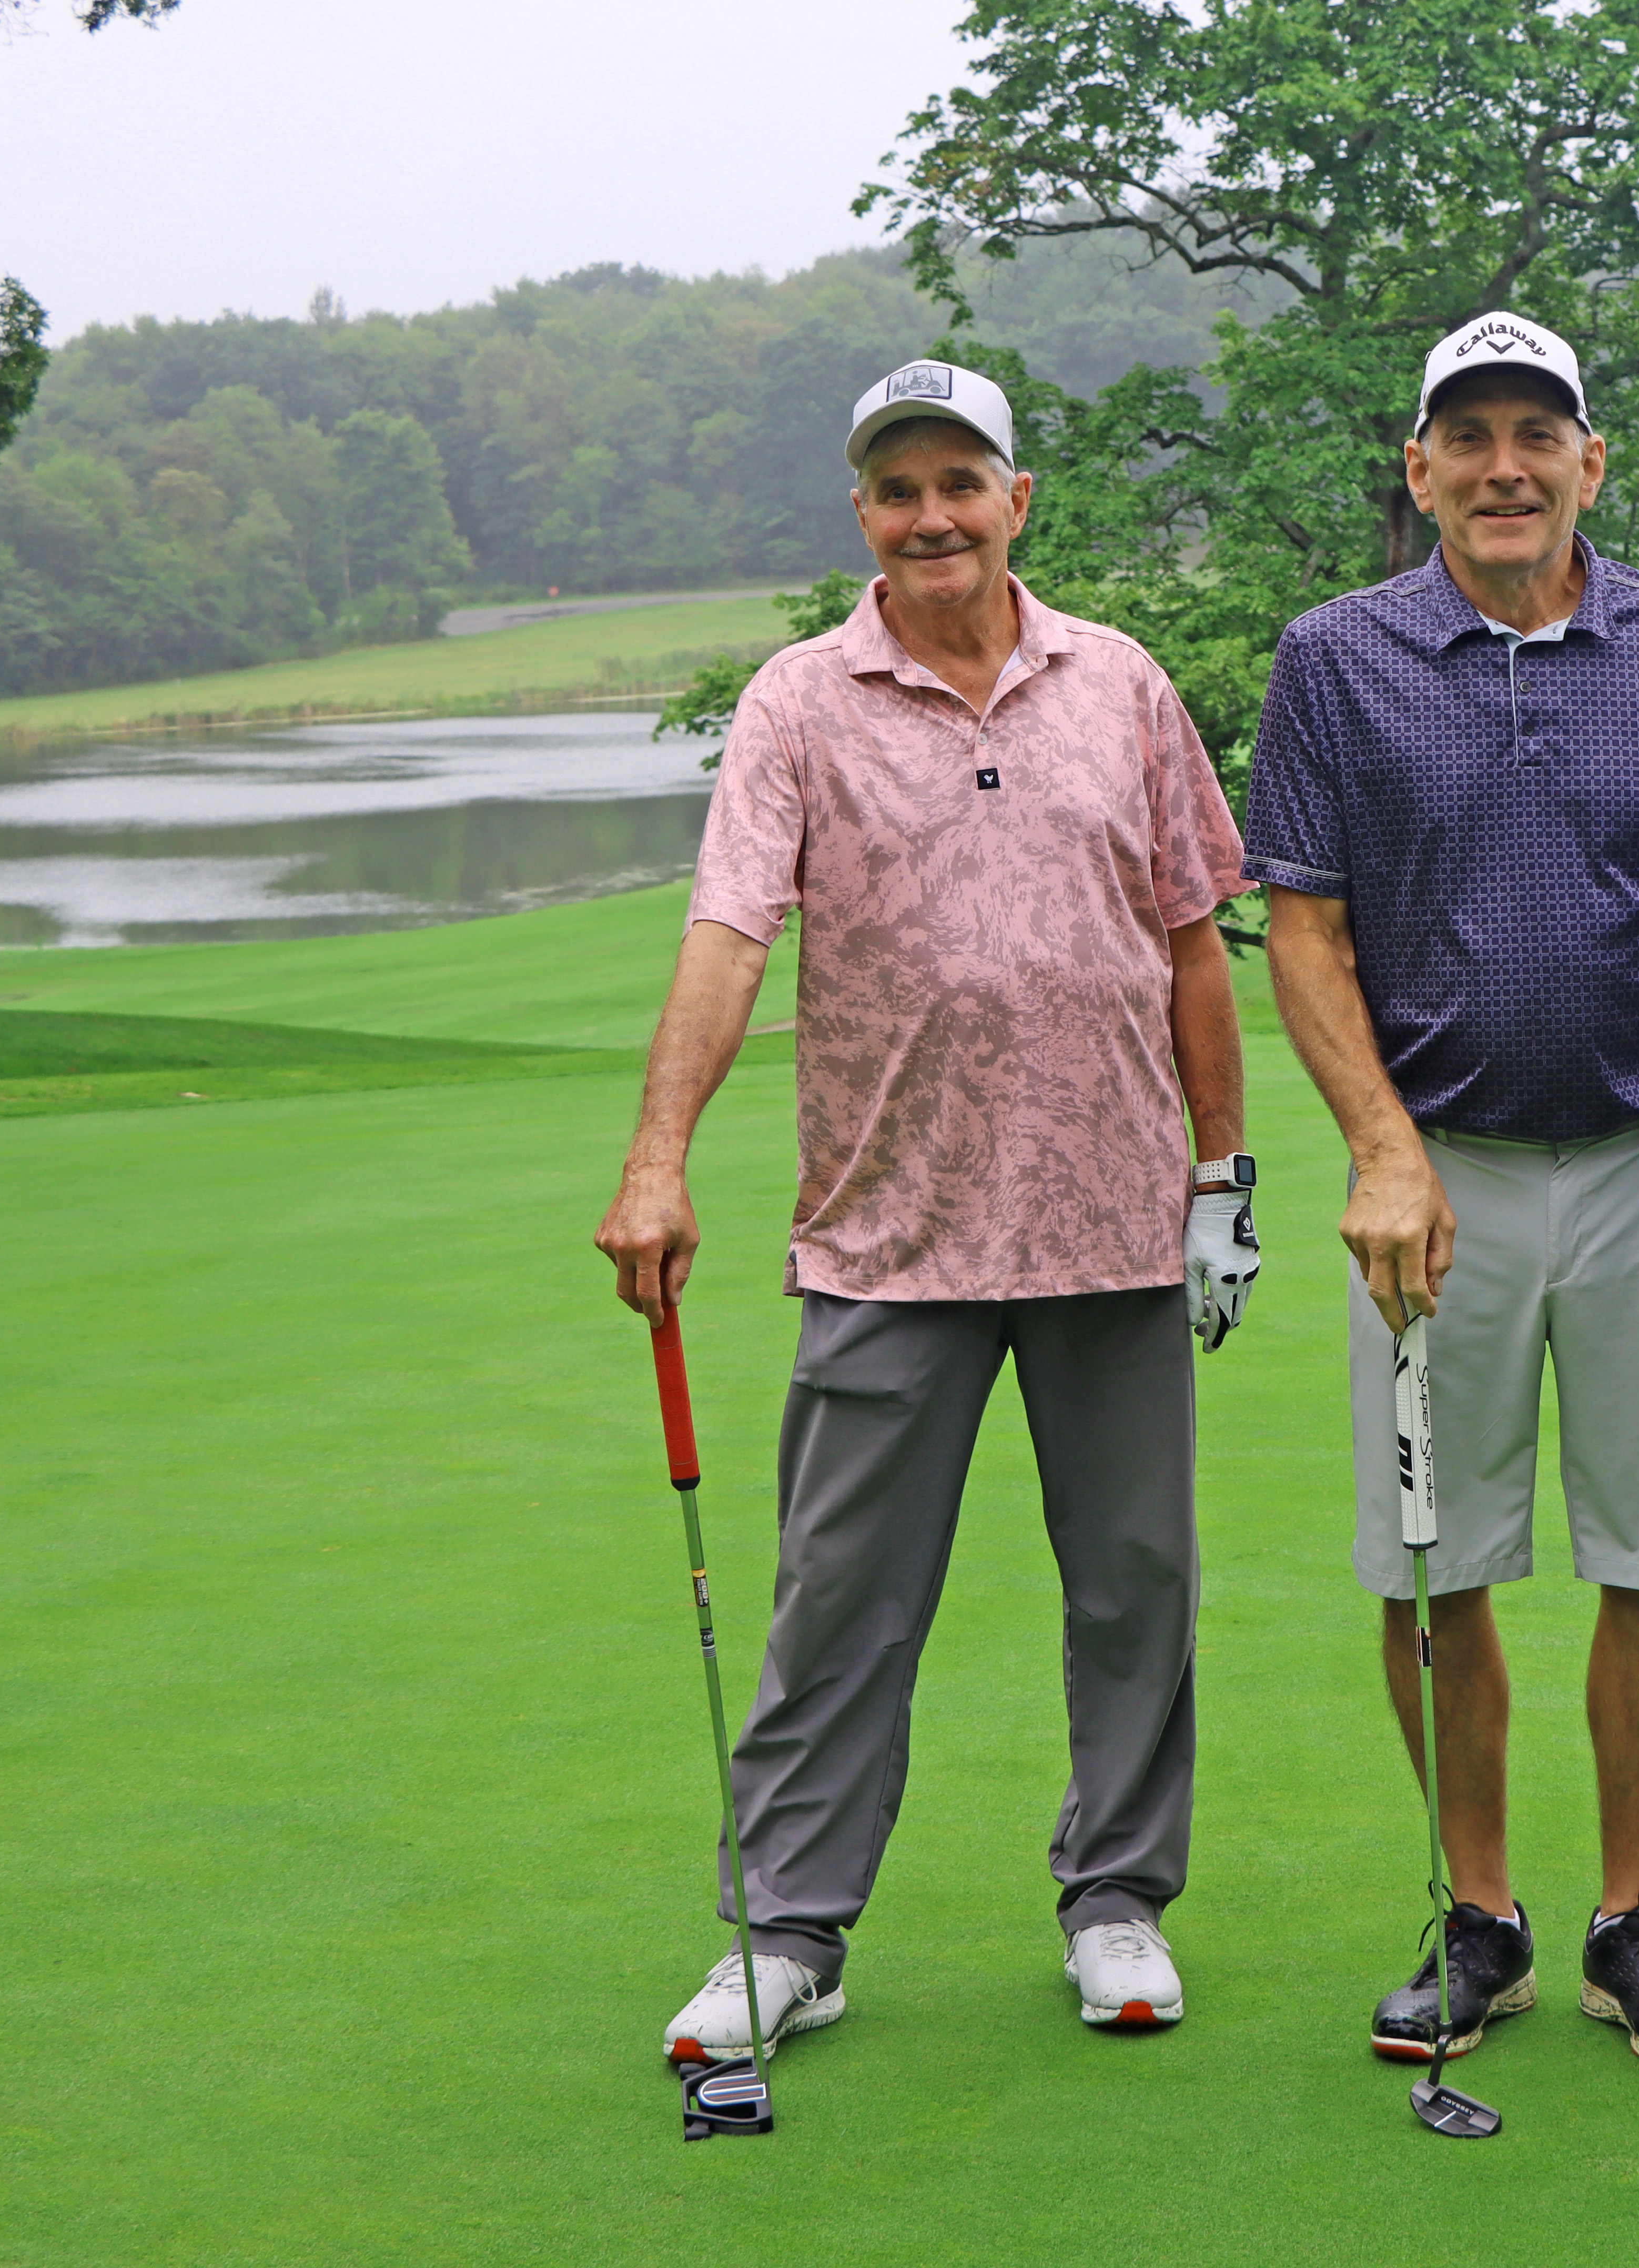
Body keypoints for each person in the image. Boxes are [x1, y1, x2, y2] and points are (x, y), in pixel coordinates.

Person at [593, 358, 1257, 2067]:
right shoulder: (800, 703)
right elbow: (730, 936)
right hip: (891, 1229)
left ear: (1018, 498)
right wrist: (659, 1156)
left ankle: (1117, 1901)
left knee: (1132, 1586)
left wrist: (1222, 1177)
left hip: (1112, 1219)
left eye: (962, 480)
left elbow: (1195, 938)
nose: (933, 514)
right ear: (866, 518)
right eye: (899, 490)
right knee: (841, 1597)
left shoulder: (1119, 683)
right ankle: (789, 1935)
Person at [1245, 310, 1639, 2075]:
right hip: (1440, 1184)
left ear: (1589, 463)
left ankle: (1629, 1917)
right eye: (1467, 437)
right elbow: (1307, 927)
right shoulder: (1335, 658)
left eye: (1536, 435)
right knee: (1436, 1570)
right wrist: (1382, 1149)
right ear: (1419, 470)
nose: (1505, 467)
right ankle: (1478, 1916)